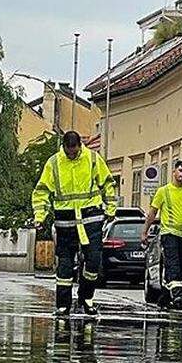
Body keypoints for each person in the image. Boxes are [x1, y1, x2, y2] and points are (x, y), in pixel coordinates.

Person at [32, 131, 118, 317]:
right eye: (68, 152)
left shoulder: (93, 159)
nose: (71, 155)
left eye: (74, 152)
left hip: (91, 217)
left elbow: (108, 184)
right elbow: (41, 192)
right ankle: (63, 305)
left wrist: (111, 210)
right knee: (65, 263)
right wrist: (40, 216)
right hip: (65, 220)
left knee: (94, 261)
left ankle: (86, 298)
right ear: (63, 147)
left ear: (80, 145)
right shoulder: (54, 163)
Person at [142, 159, 182, 310]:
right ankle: (178, 294)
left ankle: (164, 297)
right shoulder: (163, 191)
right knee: (173, 264)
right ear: (174, 172)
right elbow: (152, 213)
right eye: (180, 171)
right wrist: (144, 232)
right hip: (168, 233)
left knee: (175, 266)